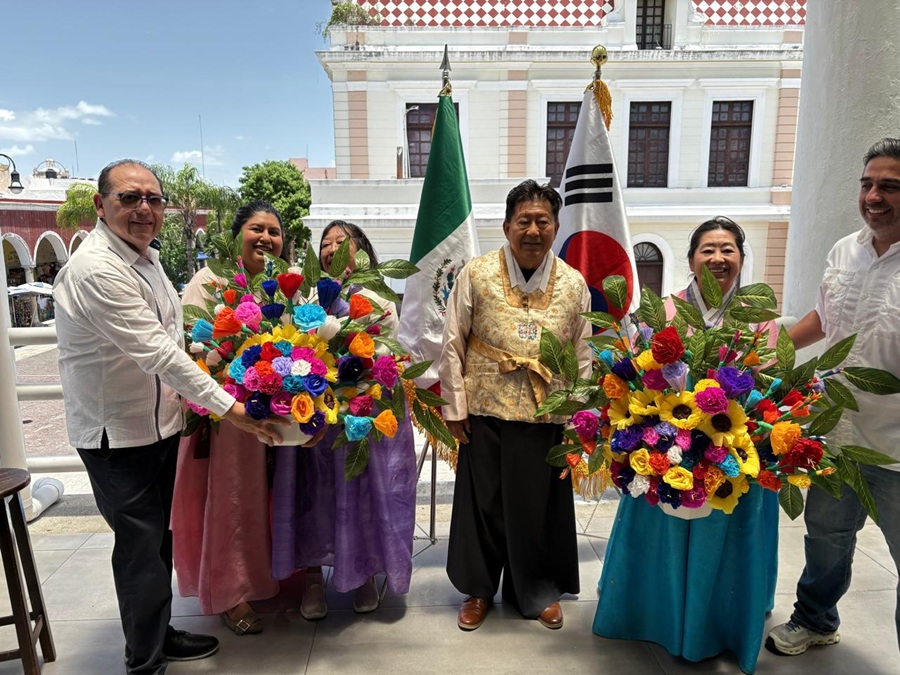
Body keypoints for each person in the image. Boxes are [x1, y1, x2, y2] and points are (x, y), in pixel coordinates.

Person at [53, 160, 287, 675]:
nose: (144, 209)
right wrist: (232, 408)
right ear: (100, 205)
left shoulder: (147, 260)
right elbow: (159, 352)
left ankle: (160, 634)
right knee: (139, 550)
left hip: (158, 424)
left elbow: (178, 340)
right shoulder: (96, 269)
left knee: (159, 540)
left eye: (153, 199)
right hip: (117, 435)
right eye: (129, 198)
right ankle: (145, 662)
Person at [593, 216, 779, 674]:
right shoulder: (665, 312)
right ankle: (649, 613)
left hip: (733, 455)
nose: (718, 258)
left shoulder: (759, 320)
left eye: (728, 249)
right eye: (707, 249)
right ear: (692, 259)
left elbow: (769, 386)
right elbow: (641, 375)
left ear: (741, 258)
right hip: (666, 450)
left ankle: (719, 622)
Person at [767, 138, 900, 657]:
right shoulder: (845, 250)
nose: (874, 197)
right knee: (826, 537)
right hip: (835, 435)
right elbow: (824, 320)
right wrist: (763, 351)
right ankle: (815, 619)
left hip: (895, 447)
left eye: (890, 186)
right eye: (868, 184)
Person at [440, 179, 592, 631]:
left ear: (556, 227)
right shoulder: (476, 273)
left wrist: (579, 417)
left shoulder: (574, 283)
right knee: (483, 504)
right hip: (483, 409)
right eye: (524, 221)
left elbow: (583, 353)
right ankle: (478, 589)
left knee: (537, 507)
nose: (533, 231)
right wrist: (454, 406)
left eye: (543, 221)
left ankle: (537, 589)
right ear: (507, 227)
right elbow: (452, 339)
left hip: (547, 413)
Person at [270, 219, 418, 619]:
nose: (332, 248)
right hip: (312, 420)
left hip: (357, 419)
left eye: (342, 241)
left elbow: (389, 359)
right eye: (326, 243)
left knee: (360, 497)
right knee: (311, 496)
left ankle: (363, 573)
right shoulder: (304, 297)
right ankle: (312, 578)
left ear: (361, 250)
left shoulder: (377, 298)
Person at [171, 201, 288, 635]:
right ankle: (231, 592)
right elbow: (189, 351)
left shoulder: (283, 287)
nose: (266, 238)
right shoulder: (209, 282)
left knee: (272, 498)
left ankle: (270, 578)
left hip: (275, 412)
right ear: (238, 234)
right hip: (227, 418)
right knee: (233, 502)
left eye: (274, 232)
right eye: (257, 229)